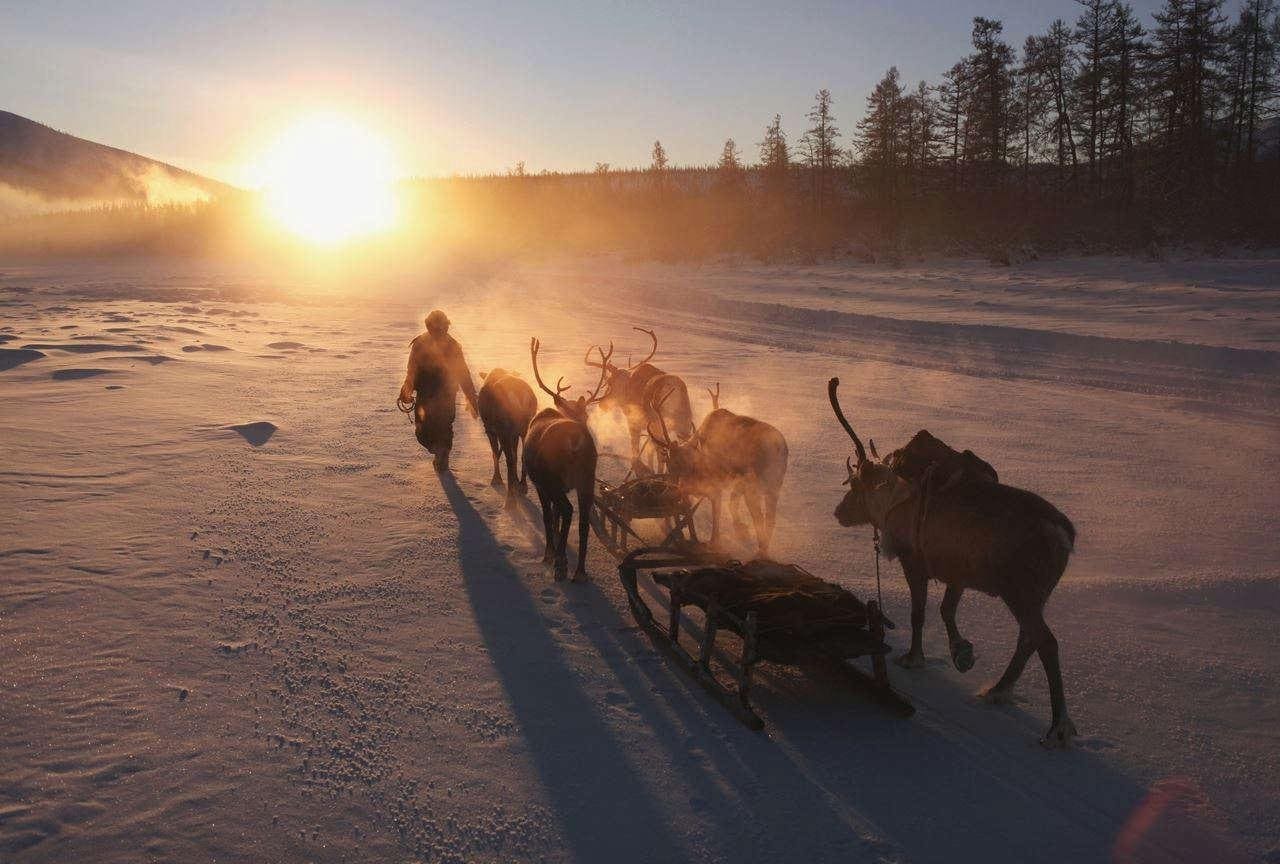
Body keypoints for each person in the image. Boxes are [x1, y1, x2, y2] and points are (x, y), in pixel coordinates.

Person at [398, 309, 479, 471]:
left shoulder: (449, 345)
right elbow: (412, 370)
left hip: (441, 395)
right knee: (431, 429)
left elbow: (462, 373)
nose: (439, 330)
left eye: (442, 326)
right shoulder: (422, 343)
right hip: (431, 395)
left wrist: (471, 397)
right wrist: (406, 391)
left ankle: (441, 454)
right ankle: (441, 452)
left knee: (435, 427)